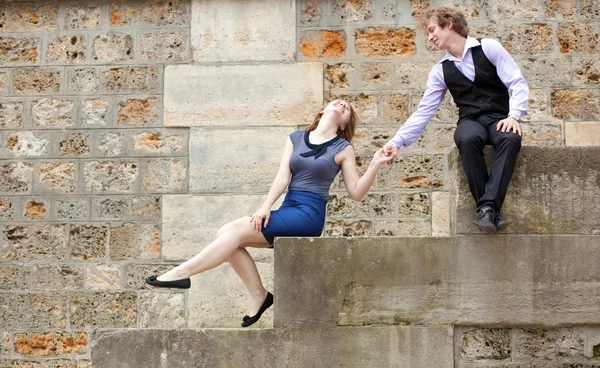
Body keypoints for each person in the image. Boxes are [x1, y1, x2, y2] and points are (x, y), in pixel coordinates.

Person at [146, 99, 393, 327]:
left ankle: (182, 273)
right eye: (337, 101)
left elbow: (356, 192)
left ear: (343, 124)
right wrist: (265, 207)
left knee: (233, 233)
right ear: (322, 111)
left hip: (309, 214)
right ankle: (260, 295)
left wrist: (374, 163)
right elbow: (282, 177)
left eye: (347, 108)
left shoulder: (343, 148)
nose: (342, 104)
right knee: (227, 235)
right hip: (288, 207)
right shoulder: (296, 138)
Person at [381, 7, 529, 234]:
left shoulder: (488, 47)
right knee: (467, 138)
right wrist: (396, 141)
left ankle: (486, 207)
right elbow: (424, 111)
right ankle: (489, 209)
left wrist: (514, 115)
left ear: (449, 23)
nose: (429, 37)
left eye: (432, 30)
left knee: (510, 138)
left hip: (500, 116)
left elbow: (516, 82)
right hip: (470, 120)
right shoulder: (440, 70)